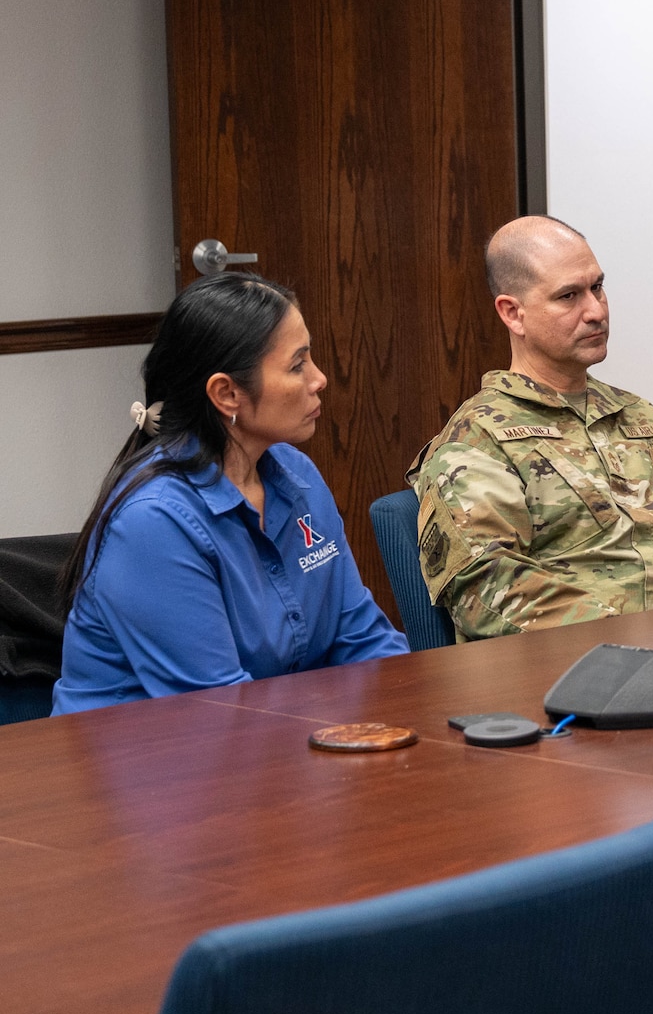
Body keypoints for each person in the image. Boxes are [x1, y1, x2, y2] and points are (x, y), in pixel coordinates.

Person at [54, 274, 407, 714]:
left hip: (273, 748)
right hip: (148, 768)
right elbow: (222, 710)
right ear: (227, 393)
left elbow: (362, 639)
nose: (320, 379)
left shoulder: (296, 472)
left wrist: (414, 715)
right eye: (297, 365)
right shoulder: (152, 521)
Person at [409, 216, 653, 640]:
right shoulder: (478, 440)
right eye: (569, 296)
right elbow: (487, 595)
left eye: (597, 287)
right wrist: (637, 633)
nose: (596, 311)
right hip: (571, 669)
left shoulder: (640, 417)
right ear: (513, 313)